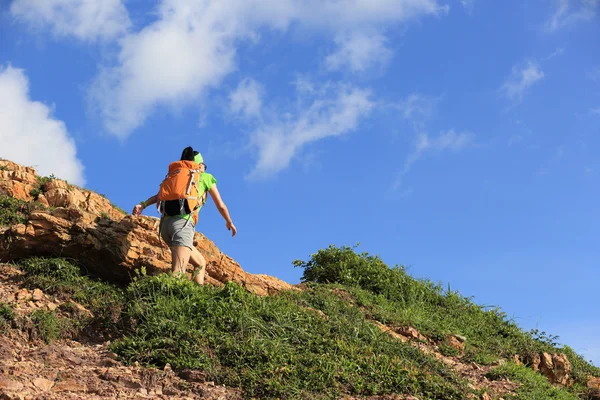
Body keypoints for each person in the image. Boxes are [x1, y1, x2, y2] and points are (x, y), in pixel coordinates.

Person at [132, 146, 237, 285]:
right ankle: (165, 305)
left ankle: (198, 297)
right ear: (199, 164)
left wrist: (143, 205)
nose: (204, 167)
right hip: (182, 225)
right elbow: (221, 205)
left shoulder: (176, 175)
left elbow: (159, 196)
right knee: (178, 273)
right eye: (204, 165)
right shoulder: (205, 177)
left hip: (165, 227)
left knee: (200, 263)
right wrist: (229, 221)